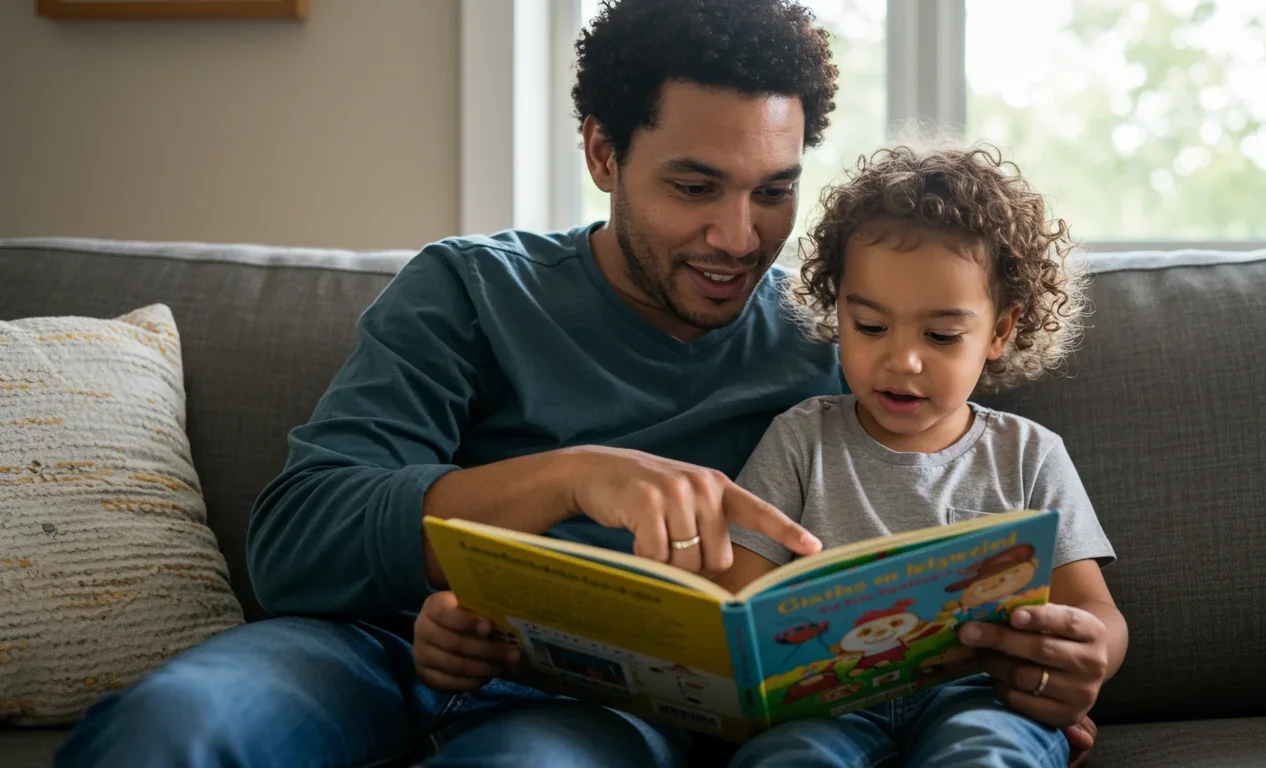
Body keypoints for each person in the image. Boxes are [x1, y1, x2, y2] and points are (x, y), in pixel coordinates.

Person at [53, 1, 842, 766]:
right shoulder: (470, 289)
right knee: (164, 728)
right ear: (604, 154)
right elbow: (296, 540)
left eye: (773, 191)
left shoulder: (827, 347)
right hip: (375, 649)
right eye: (696, 188)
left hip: (600, 706)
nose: (740, 238)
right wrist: (572, 478)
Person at [713, 142, 1129, 768]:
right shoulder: (800, 438)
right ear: (838, 311)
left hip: (981, 695)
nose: (902, 360)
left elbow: (1094, 609)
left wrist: (1090, 649)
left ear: (1000, 331)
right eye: (871, 326)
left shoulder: (1028, 454)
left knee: (988, 754)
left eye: (940, 335)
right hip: (823, 707)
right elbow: (735, 607)